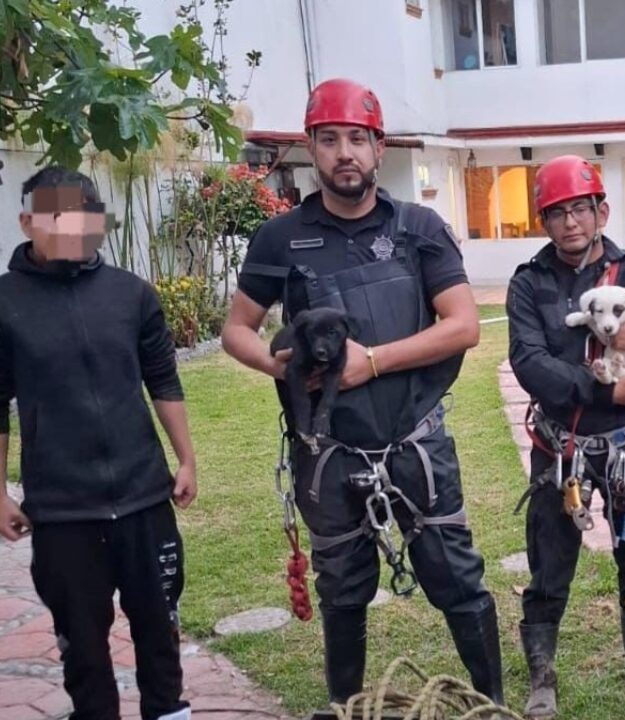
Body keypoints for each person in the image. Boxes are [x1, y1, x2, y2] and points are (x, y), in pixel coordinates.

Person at [220, 78, 503, 706]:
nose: (344, 152)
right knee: (342, 591)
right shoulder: (279, 238)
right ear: (311, 150)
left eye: (357, 138)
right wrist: (287, 371)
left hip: (415, 443)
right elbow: (236, 332)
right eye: (328, 139)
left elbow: (462, 327)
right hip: (329, 452)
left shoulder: (419, 228)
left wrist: (369, 362)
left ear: (378, 147)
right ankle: (346, 708)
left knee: (457, 580)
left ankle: (494, 705)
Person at [0, 167, 198, 720]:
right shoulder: (5, 304)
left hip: (143, 499)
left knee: (159, 631)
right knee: (83, 650)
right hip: (63, 511)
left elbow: (162, 380)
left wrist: (185, 459)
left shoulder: (131, 295)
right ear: (27, 222)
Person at [507, 155, 625, 718]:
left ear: (601, 211)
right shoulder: (530, 282)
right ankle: (541, 675)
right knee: (550, 560)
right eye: (557, 213)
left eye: (580, 209)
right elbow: (529, 363)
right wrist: (604, 394)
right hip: (560, 445)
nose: (570, 223)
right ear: (544, 220)